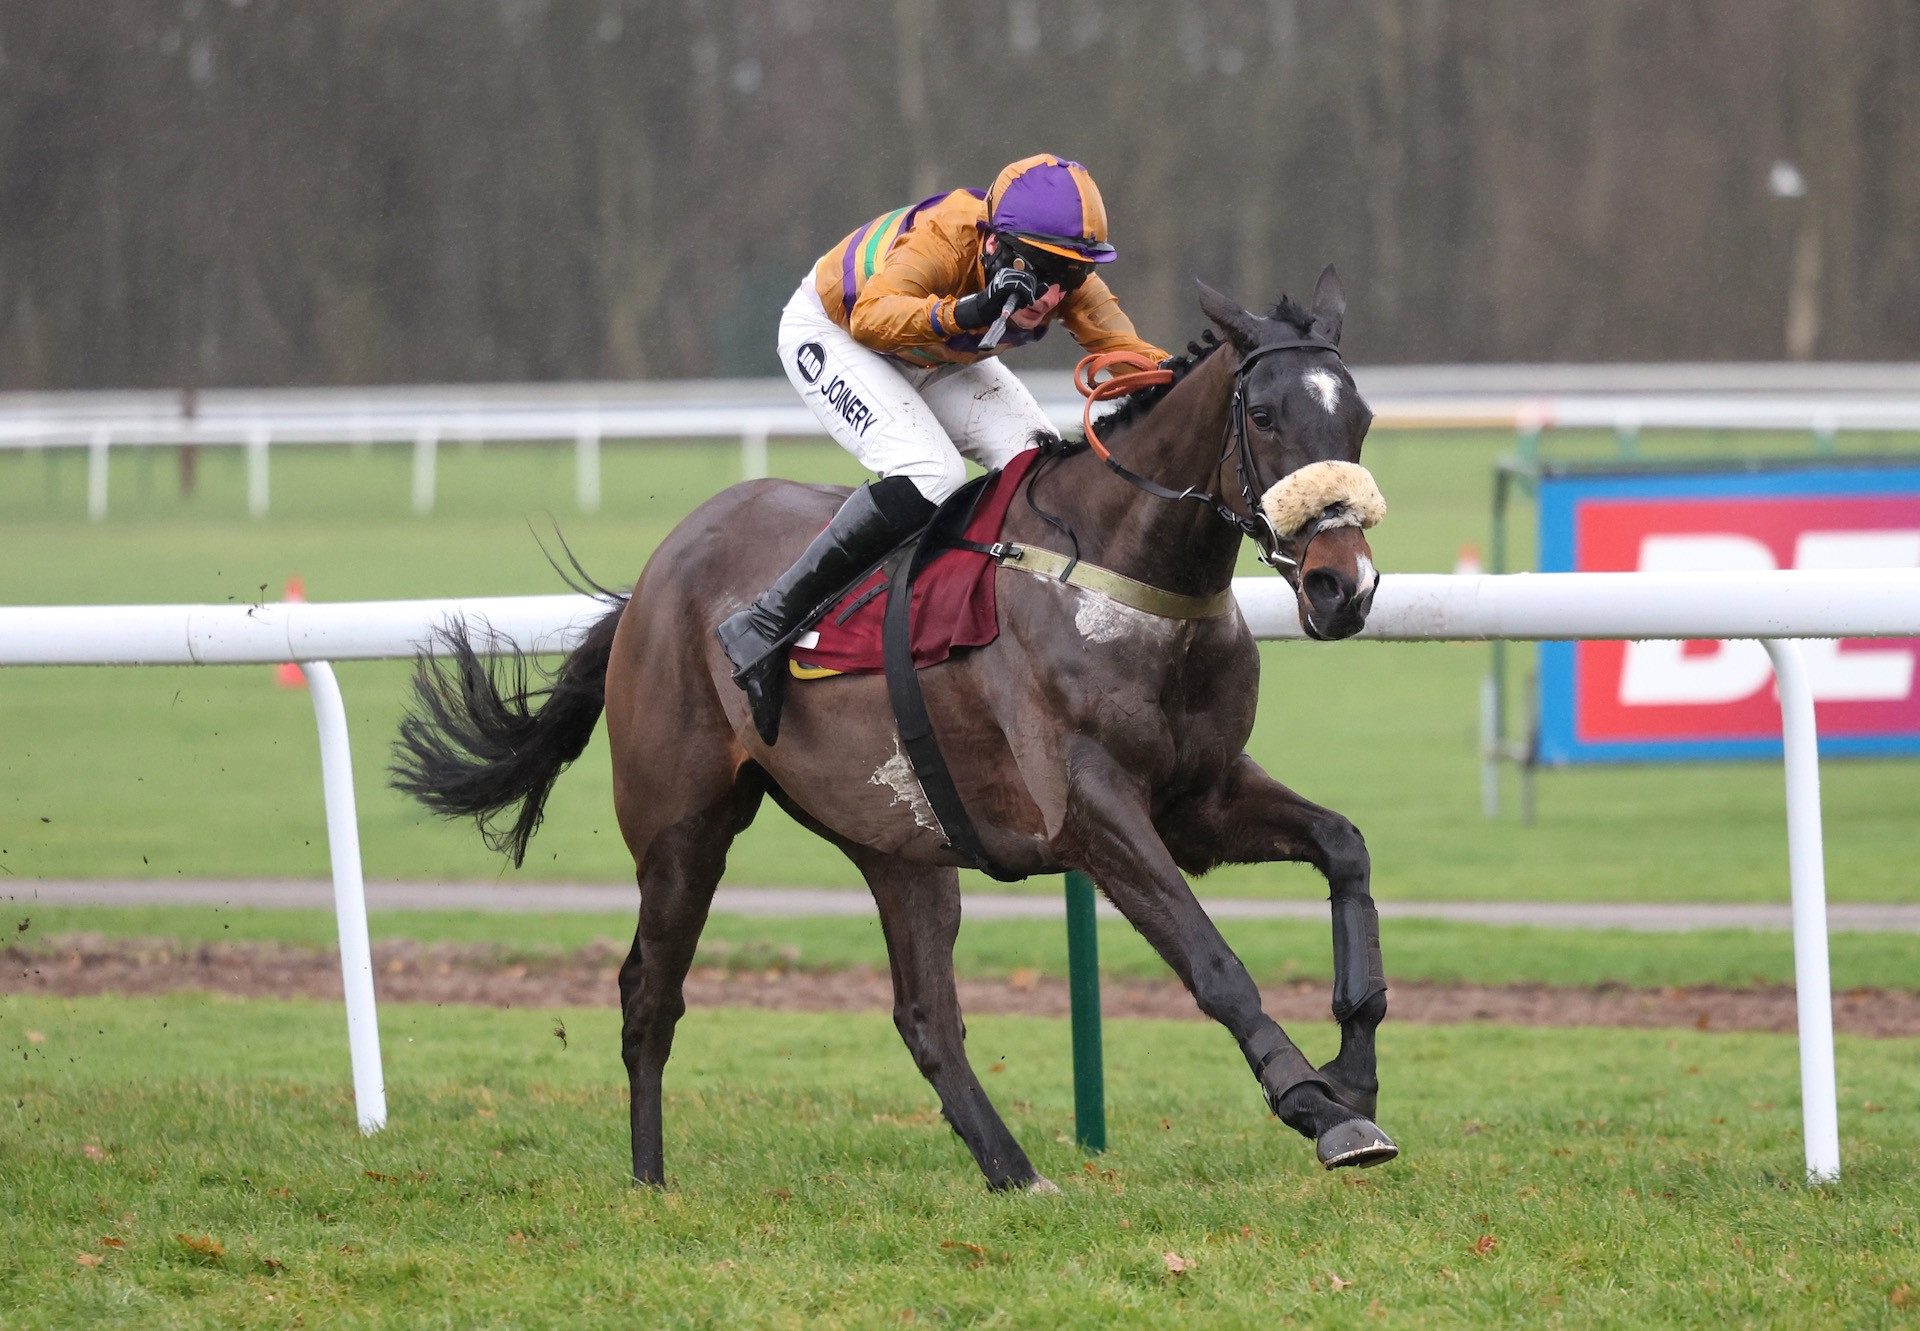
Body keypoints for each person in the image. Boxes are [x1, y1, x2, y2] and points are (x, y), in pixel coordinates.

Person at [718, 153, 1169, 744]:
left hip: (935, 347)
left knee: (1036, 466)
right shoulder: (947, 237)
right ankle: (764, 622)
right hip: (839, 330)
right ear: (995, 245)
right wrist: (970, 309)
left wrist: (1219, 375)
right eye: (1043, 271)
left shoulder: (1060, 276)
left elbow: (1132, 359)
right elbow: (872, 318)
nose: (1055, 294)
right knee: (932, 474)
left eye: (1073, 275)